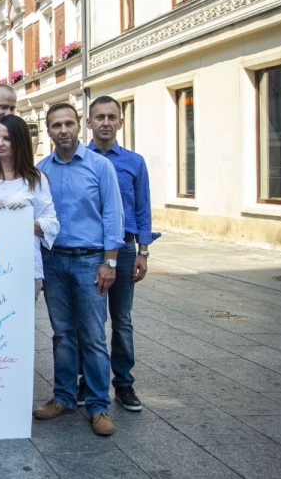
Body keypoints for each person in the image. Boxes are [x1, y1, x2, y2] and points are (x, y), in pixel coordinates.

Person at [33, 102, 124, 437]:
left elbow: (113, 215)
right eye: (56, 125)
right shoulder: (41, 171)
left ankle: (99, 405)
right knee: (62, 334)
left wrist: (109, 262)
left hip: (89, 261)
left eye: (68, 124)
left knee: (93, 335)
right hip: (54, 260)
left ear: (78, 126)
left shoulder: (100, 166)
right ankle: (64, 397)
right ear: (48, 130)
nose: (63, 130)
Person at [86, 95, 158, 412]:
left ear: (120, 122)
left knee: (122, 319)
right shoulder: (79, 159)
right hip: (90, 249)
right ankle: (88, 381)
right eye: (100, 117)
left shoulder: (134, 162)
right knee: (90, 321)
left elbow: (143, 208)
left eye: (111, 117)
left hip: (126, 248)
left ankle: (124, 383)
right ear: (89, 122)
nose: (106, 122)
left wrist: (144, 252)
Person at [0, 115, 59, 301]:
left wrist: (23, 220)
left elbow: (52, 224)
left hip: (24, 265)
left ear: (20, 141)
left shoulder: (35, 178)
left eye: (7, 139)